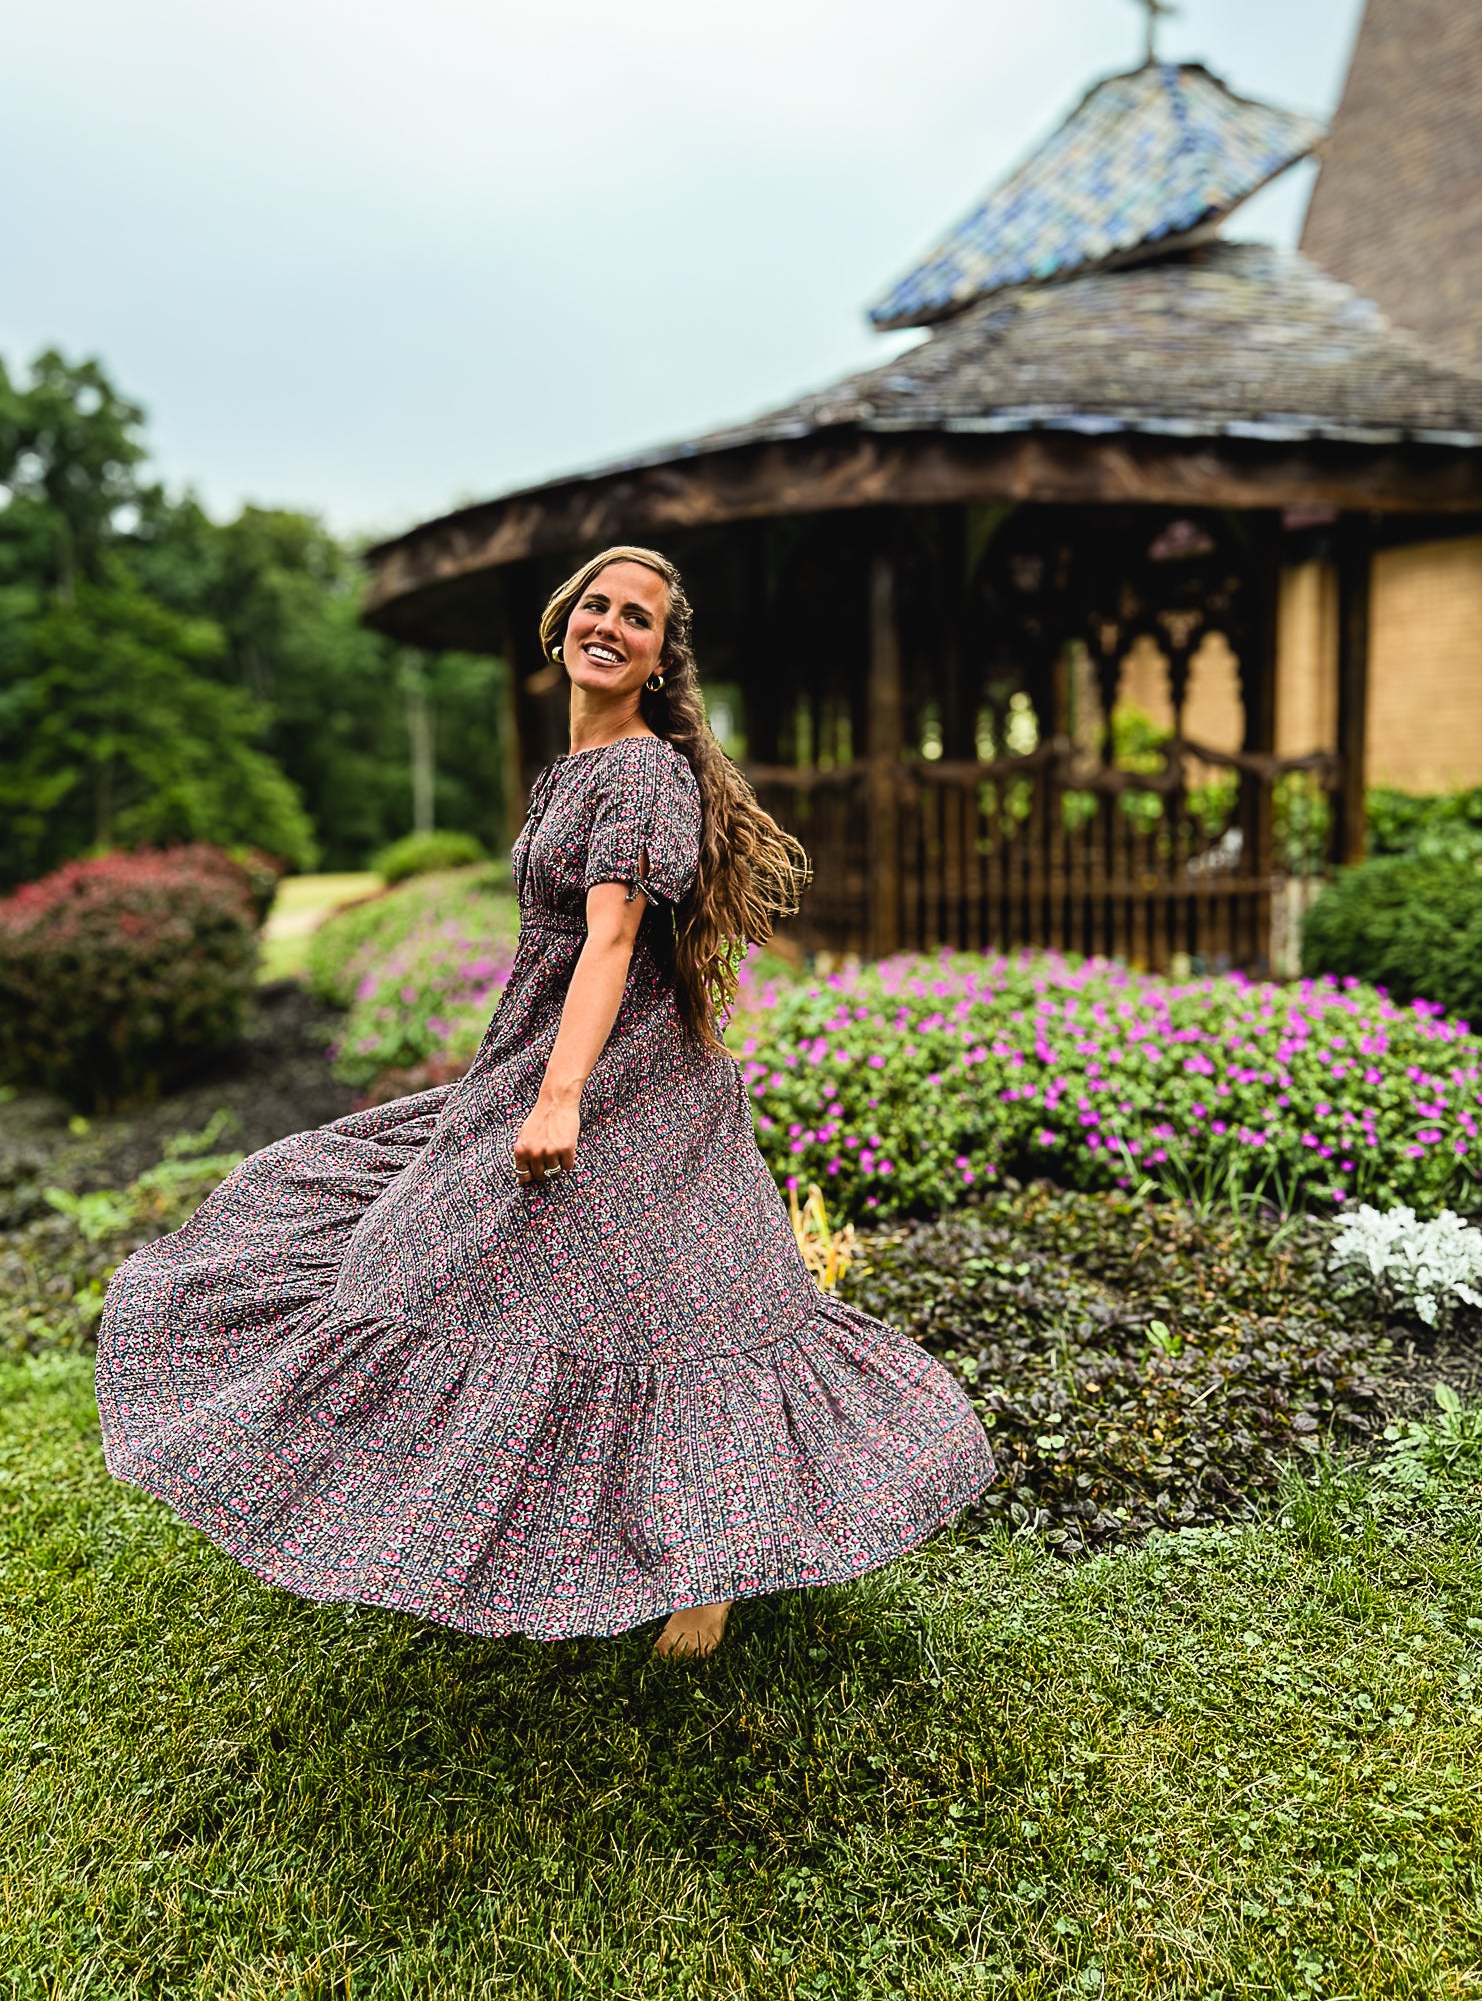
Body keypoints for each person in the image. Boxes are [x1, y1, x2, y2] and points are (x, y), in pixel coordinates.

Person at [96, 546, 996, 1658]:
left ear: (665, 657)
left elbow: (613, 940)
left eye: (641, 618)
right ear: (563, 621)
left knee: (689, 1316)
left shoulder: (636, 775)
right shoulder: (575, 768)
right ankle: (542, 1520)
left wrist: (561, 1093)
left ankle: (707, 1570)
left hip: (631, 1080)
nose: (612, 624)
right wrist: (530, 1077)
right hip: (541, 1056)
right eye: (598, 605)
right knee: (468, 1263)